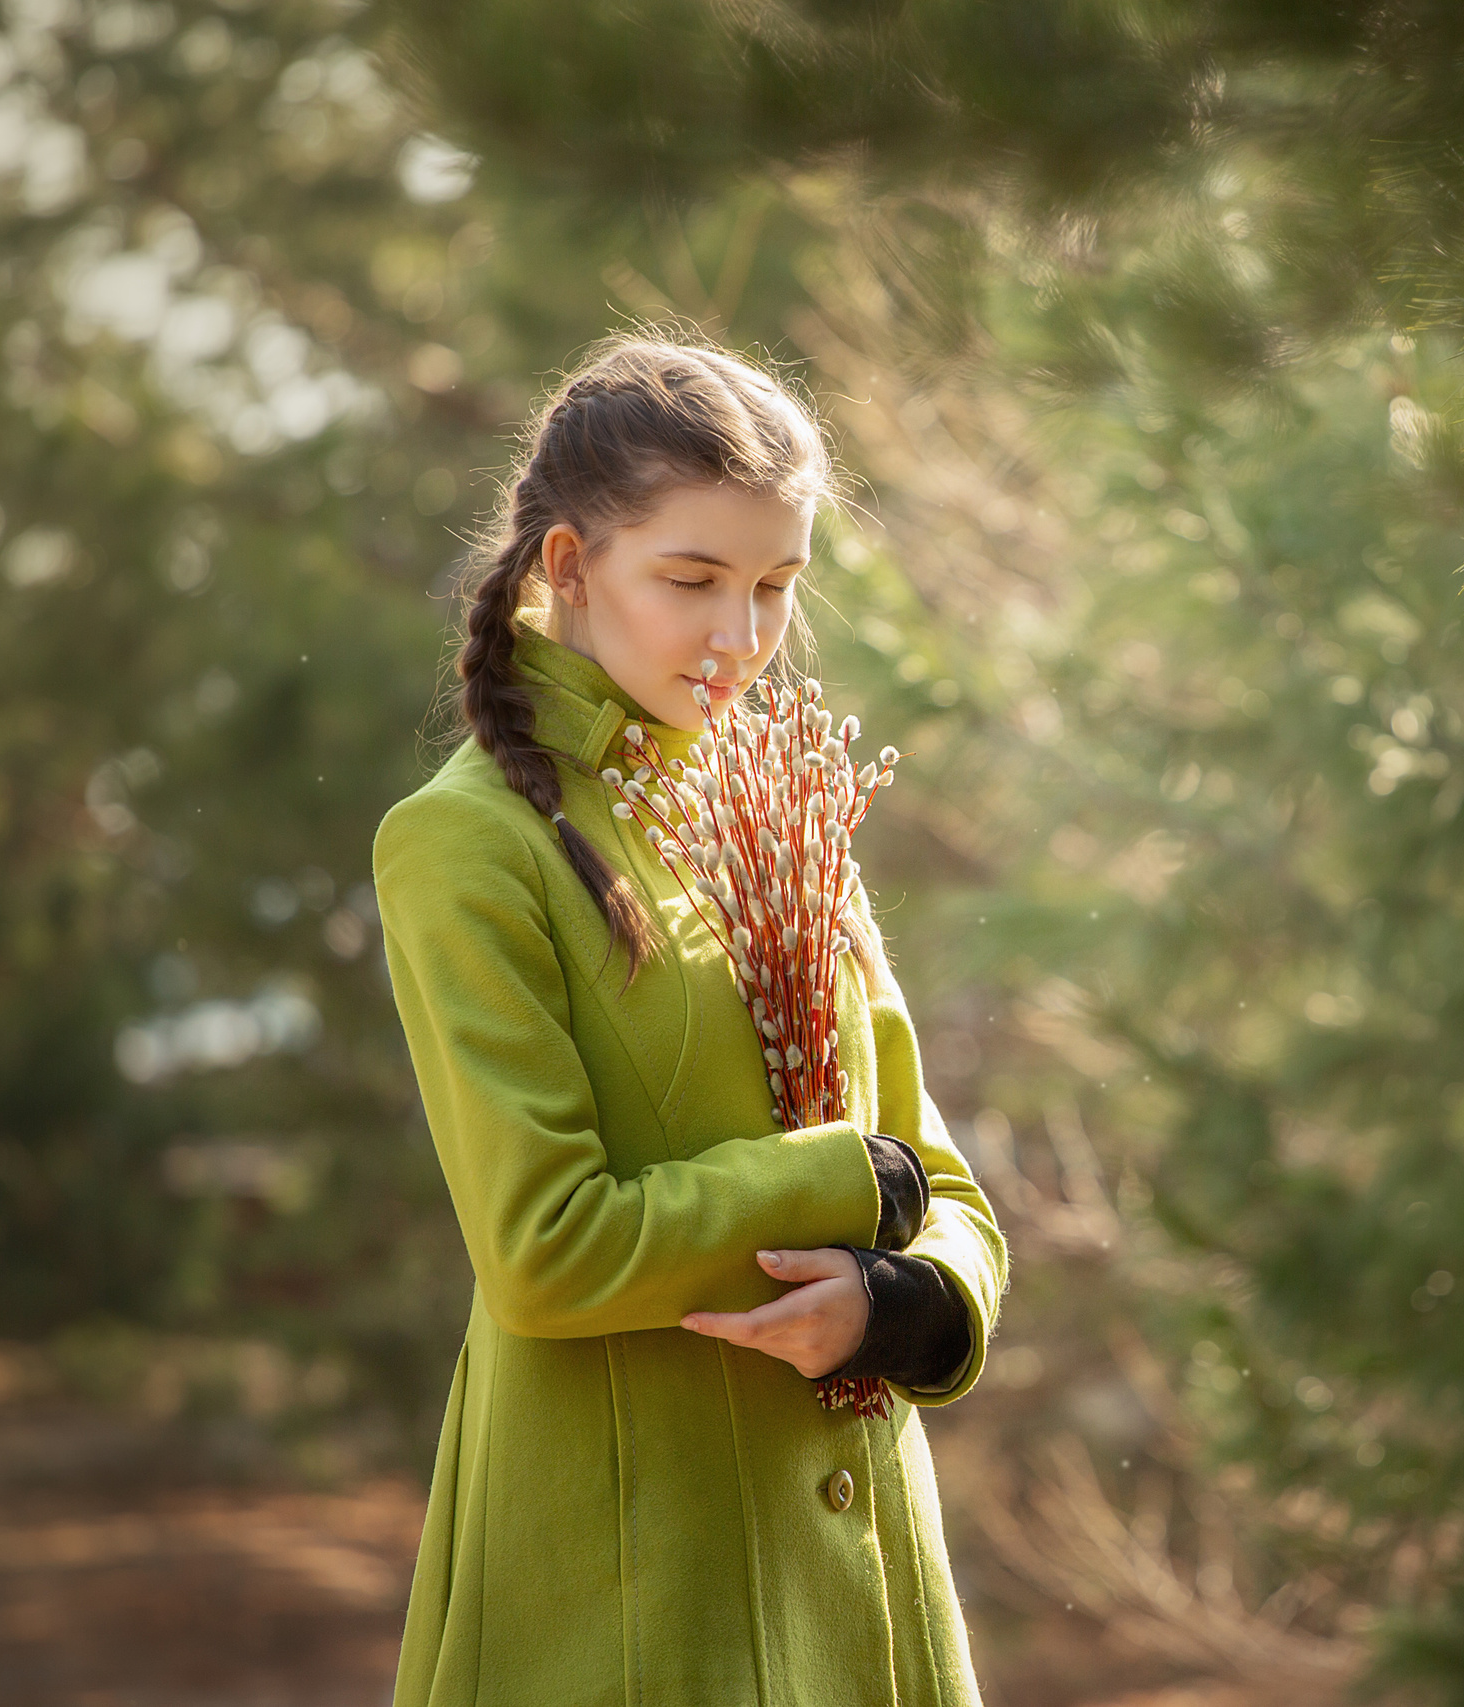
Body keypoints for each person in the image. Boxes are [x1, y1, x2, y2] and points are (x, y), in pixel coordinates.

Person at [373, 332, 1005, 1707]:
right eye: (693, 580)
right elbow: (544, 1250)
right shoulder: (464, 845)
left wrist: (894, 1304)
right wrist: (844, 1186)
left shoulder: (781, 817)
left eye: (777, 587)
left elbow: (938, 1184)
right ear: (567, 566)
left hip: (864, 1594)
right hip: (627, 1587)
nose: (741, 638)